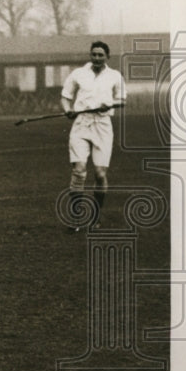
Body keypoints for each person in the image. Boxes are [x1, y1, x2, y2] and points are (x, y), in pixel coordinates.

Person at [60, 40, 126, 234]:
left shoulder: (114, 76)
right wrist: (68, 110)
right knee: (79, 170)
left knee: (100, 174)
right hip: (81, 124)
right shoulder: (78, 74)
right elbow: (65, 96)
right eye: (94, 54)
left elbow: (122, 100)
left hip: (103, 126)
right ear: (90, 55)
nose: (97, 58)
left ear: (107, 57)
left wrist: (110, 104)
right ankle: (76, 216)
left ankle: (95, 216)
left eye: (101, 55)